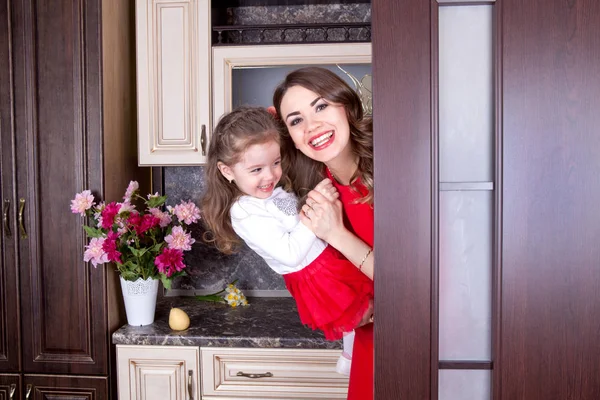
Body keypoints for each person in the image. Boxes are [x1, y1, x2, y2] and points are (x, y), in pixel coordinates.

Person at [201, 106, 374, 375]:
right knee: (361, 317)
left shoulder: (272, 194)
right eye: (256, 169)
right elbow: (291, 253)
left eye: (275, 163)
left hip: (328, 261)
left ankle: (356, 359)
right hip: (316, 277)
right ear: (227, 170)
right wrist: (316, 211)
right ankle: (354, 361)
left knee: (368, 314)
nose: (269, 176)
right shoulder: (244, 211)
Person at [272, 66, 375, 400]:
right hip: (372, 344)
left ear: (345, 105)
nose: (312, 126)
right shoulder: (317, 193)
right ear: (291, 138)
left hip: (425, 341)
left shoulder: (397, 165)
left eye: (321, 106)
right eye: (296, 120)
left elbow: (414, 284)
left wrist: (336, 233)